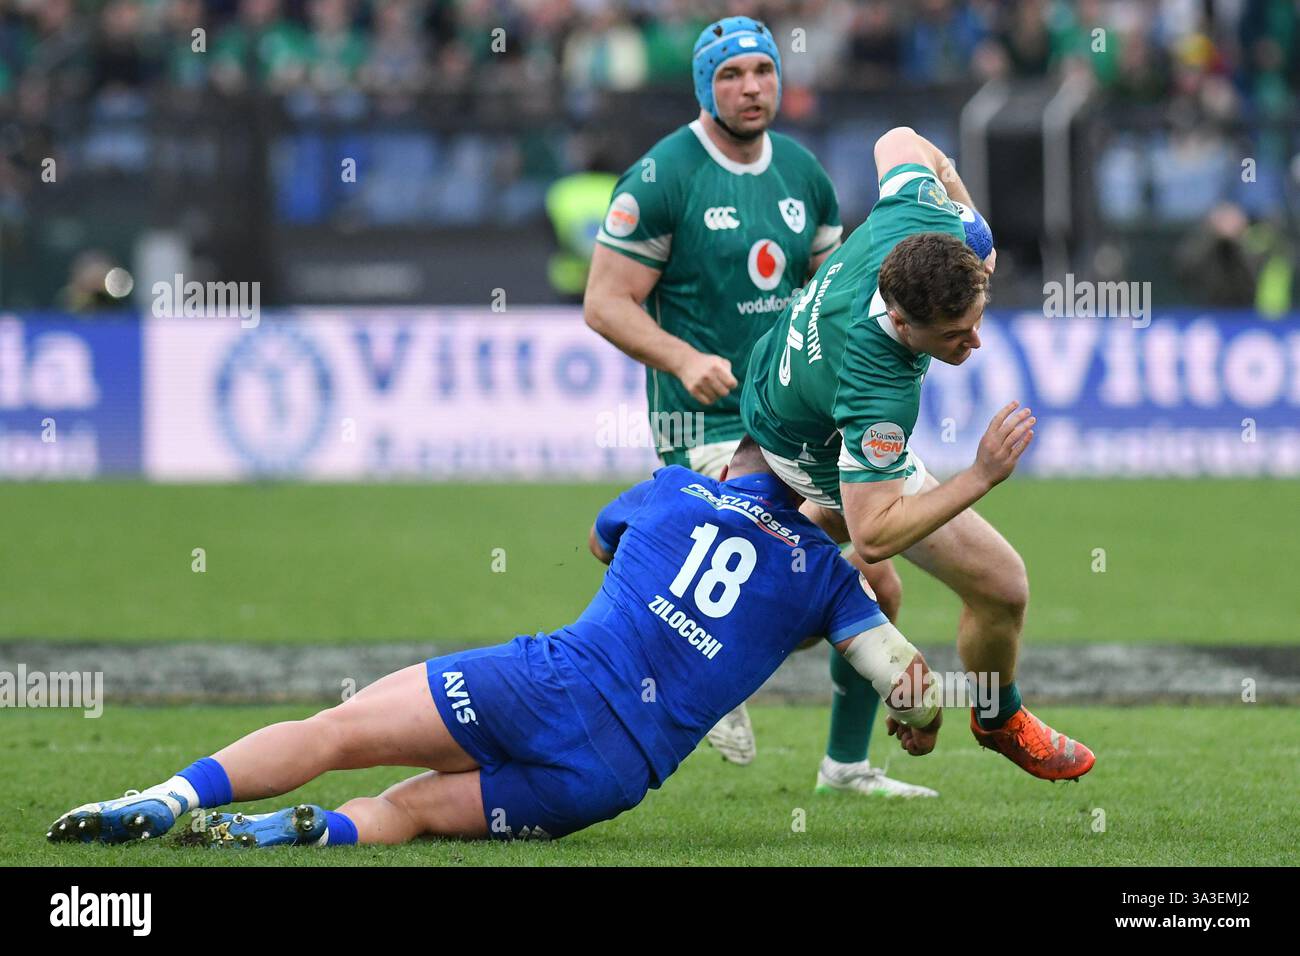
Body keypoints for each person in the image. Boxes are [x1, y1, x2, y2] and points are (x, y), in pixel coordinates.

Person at [48, 441, 947, 848]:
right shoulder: (828, 579)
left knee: (338, 730)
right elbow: (909, 688)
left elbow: (604, 543)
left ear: (743, 449)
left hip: (545, 684)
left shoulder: (674, 489)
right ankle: (298, 839)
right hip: (610, 781)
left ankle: (167, 800)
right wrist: (920, 725)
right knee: (403, 814)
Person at [584, 17, 926, 796]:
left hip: (794, 424)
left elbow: (835, 299)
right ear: (706, 85)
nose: (751, 88)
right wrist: (682, 357)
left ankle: (843, 766)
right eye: (732, 74)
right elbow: (605, 302)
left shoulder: (804, 174)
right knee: (842, 580)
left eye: (763, 72)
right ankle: (716, 672)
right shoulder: (662, 175)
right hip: (706, 430)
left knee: (880, 581)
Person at [740, 125, 1095, 781]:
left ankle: (986, 718)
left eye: (977, 320)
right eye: (955, 336)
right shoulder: (878, 387)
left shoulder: (920, 215)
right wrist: (981, 474)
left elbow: (899, 138)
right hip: (804, 441)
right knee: (894, 581)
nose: (976, 343)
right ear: (903, 325)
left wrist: (968, 215)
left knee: (940, 587)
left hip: (781, 379)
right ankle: (709, 653)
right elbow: (875, 533)